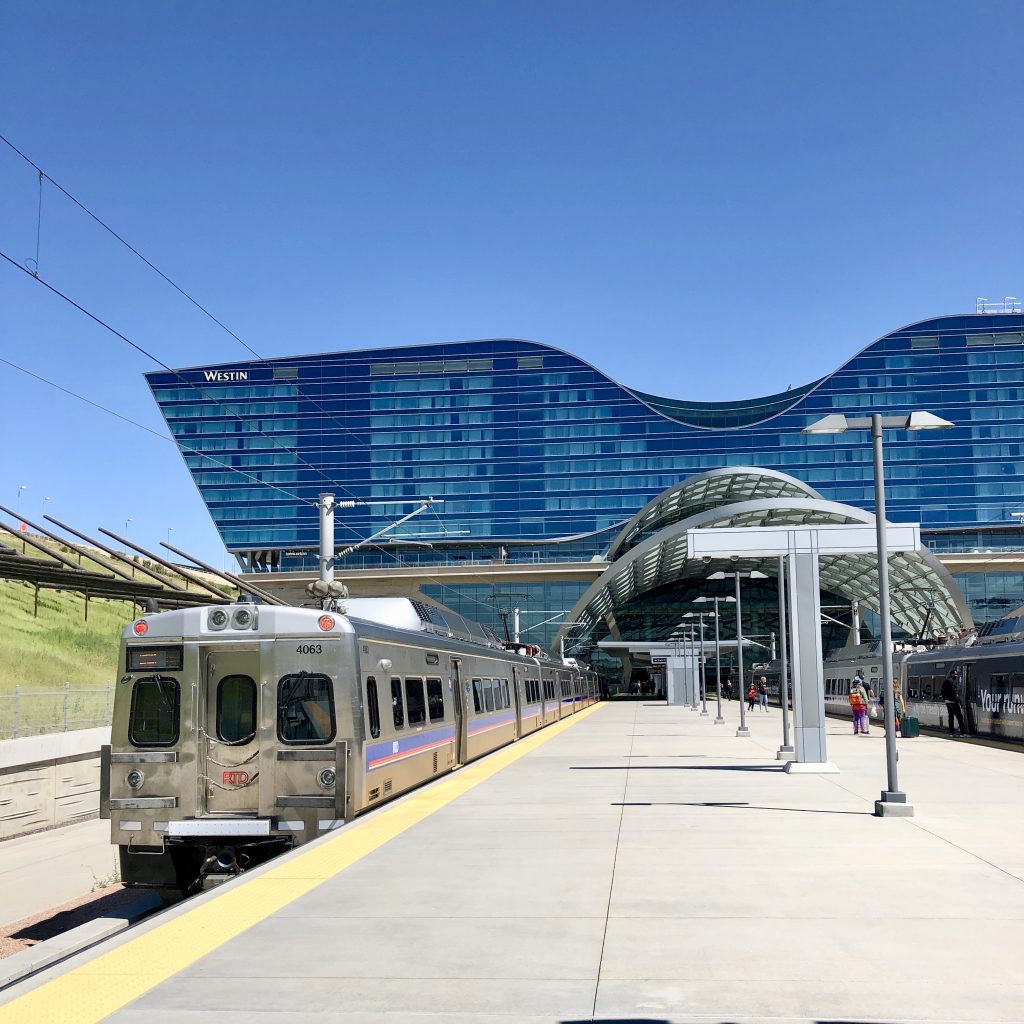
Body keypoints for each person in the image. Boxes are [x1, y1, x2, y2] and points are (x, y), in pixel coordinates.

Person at [941, 670, 967, 737]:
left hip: (947, 702)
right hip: (953, 702)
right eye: (955, 674)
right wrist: (960, 703)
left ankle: (952, 733)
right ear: (952, 674)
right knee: (960, 717)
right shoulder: (952, 682)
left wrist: (945, 699)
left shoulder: (945, 681)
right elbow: (955, 694)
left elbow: (942, 691)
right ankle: (962, 733)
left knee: (951, 717)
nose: (956, 675)